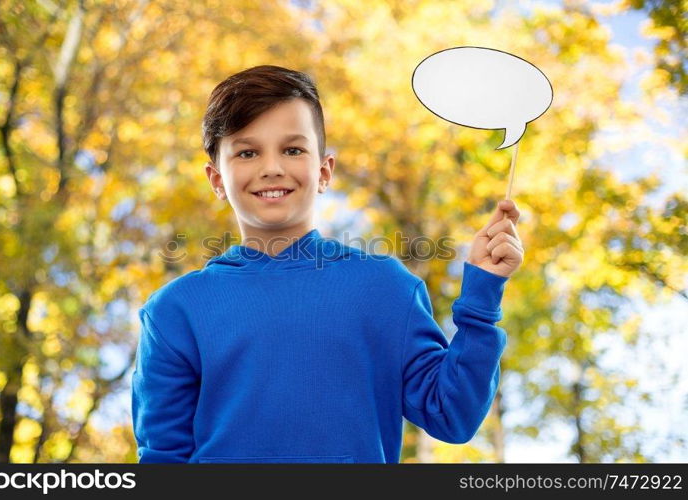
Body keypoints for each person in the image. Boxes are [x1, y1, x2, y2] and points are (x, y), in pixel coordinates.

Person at [131, 65, 524, 463]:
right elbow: (163, 458)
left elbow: (452, 415)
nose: (272, 167)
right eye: (248, 152)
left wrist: (481, 296)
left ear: (323, 171)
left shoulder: (385, 289)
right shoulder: (174, 311)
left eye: (293, 149)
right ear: (217, 179)